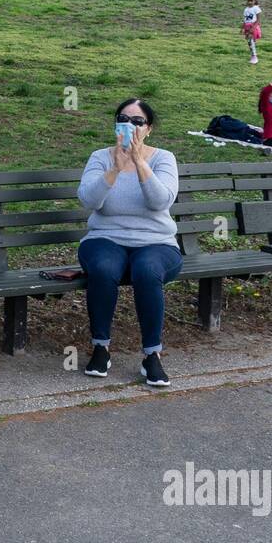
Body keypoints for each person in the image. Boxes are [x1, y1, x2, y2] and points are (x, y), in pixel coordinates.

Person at [76, 99, 182, 388]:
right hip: (105, 239)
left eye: (137, 121)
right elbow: (88, 200)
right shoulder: (100, 157)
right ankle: (100, 348)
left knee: (147, 270)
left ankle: (152, 356)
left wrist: (138, 162)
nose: (129, 125)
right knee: (102, 267)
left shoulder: (163, 158)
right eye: (123, 119)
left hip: (156, 243)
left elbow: (160, 201)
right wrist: (114, 169)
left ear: (148, 129)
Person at [242, 0, 263, 64]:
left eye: (251, 0)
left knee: (251, 41)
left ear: (255, 0)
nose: (249, 2)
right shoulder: (246, 9)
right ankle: (253, 56)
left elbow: (258, 19)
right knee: (249, 42)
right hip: (247, 27)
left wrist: (253, 28)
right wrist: (242, 28)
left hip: (253, 27)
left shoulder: (256, 8)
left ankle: (254, 57)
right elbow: (245, 20)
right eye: (248, 0)